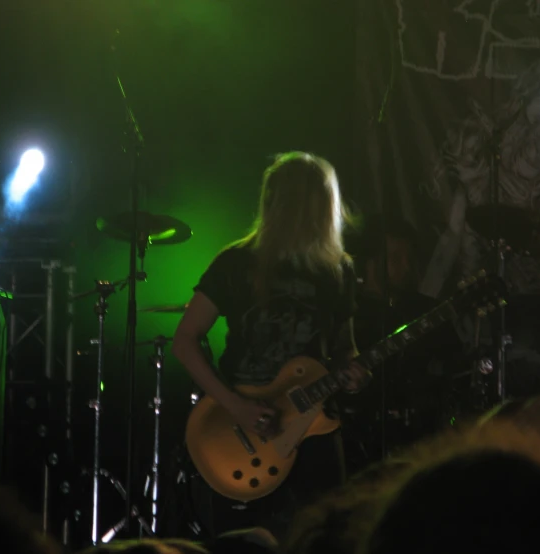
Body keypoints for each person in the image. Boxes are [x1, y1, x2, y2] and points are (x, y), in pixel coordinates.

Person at [172, 152, 370, 538]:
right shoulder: (235, 263)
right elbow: (184, 341)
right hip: (241, 429)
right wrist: (237, 406)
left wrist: (355, 371)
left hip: (315, 431)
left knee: (323, 539)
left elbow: (345, 347)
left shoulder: (339, 269)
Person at [341, 216, 464, 468]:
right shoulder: (348, 314)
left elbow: (458, 366)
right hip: (355, 440)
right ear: (371, 261)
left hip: (421, 439)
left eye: (409, 258)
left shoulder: (428, 311)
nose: (406, 266)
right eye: (396, 258)